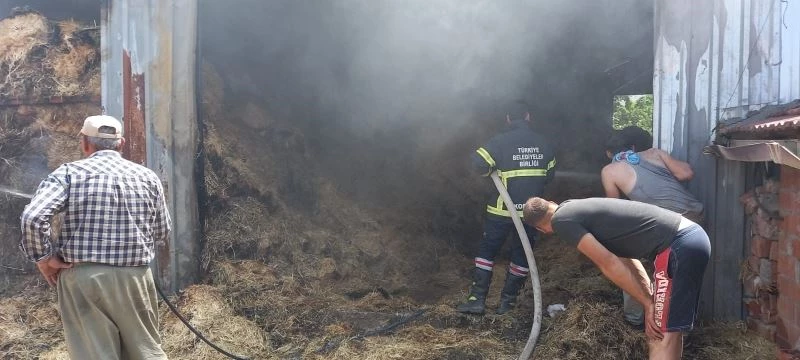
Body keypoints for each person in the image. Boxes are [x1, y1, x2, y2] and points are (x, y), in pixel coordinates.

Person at [20, 115, 171, 360]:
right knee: (146, 353)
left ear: (85, 144)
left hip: (83, 278)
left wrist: (44, 258)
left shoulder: (69, 173)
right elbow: (162, 232)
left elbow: (33, 218)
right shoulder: (148, 177)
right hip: (135, 278)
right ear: (121, 144)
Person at [522, 197, 710, 360]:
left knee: (658, 335)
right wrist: (649, 300)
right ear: (552, 203)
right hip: (690, 238)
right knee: (670, 331)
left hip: (677, 246)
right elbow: (626, 258)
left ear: (541, 229)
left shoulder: (561, 221)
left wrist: (647, 304)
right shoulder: (574, 208)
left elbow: (609, 263)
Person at [456, 100, 556, 315]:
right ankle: (508, 304)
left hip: (501, 211)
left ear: (508, 119)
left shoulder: (499, 142)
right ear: (528, 117)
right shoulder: (544, 143)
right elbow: (549, 176)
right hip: (532, 215)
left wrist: (489, 171)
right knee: (523, 254)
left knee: (487, 251)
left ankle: (477, 300)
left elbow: (477, 162)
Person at [602, 127, 704, 328]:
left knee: (626, 258)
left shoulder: (610, 171)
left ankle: (635, 320)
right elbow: (686, 173)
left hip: (666, 225)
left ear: (609, 154)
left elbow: (614, 210)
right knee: (678, 274)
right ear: (633, 146)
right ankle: (681, 324)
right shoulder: (655, 153)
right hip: (695, 218)